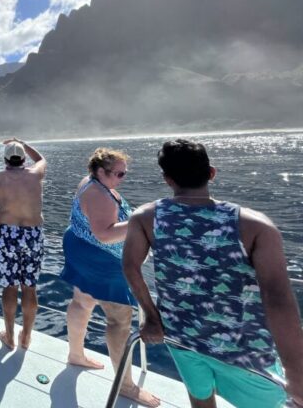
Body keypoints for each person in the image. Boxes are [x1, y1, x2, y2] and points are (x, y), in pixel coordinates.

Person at [123, 139, 303, 408]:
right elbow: (277, 299)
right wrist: (296, 372)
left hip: (180, 336)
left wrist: (151, 316)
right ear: (211, 173)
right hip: (244, 350)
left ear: (167, 179)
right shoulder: (255, 225)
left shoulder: (146, 217)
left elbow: (130, 266)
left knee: (200, 399)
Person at [60, 147, 159, 407]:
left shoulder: (90, 182)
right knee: (119, 319)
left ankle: (75, 354)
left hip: (79, 246)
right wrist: (142, 221)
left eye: (125, 173)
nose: (123, 178)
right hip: (99, 258)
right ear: (100, 171)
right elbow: (104, 235)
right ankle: (125, 386)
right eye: (119, 174)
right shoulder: (98, 194)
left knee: (82, 301)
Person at [0, 138, 46, 351]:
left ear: (5, 160)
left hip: (7, 234)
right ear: (23, 159)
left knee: (10, 286)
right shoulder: (36, 174)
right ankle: (26, 337)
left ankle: (10, 336)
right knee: (29, 287)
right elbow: (41, 159)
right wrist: (22, 143)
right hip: (33, 235)